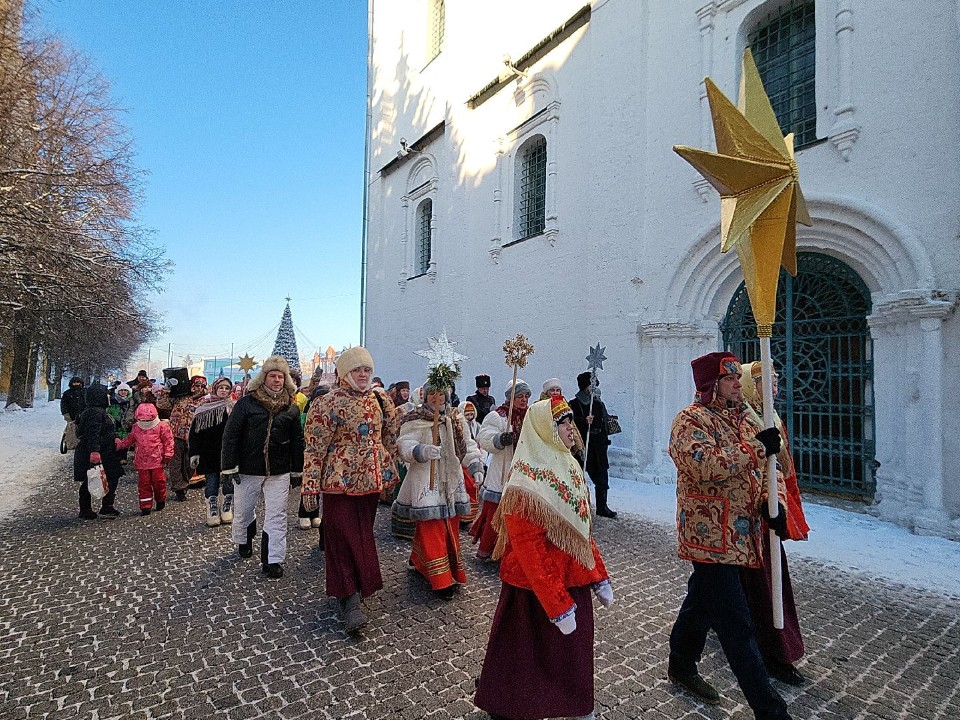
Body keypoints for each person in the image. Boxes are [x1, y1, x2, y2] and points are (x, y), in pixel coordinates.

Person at [666, 351, 793, 720]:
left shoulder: (750, 420)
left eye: (740, 377)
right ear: (711, 385)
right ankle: (770, 710)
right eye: (731, 378)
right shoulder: (690, 421)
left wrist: (775, 502)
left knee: (702, 601)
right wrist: (756, 447)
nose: (740, 384)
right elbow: (703, 465)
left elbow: (773, 472)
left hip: (744, 535)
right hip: (708, 536)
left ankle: (681, 663)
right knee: (736, 622)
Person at [474, 396, 613, 720]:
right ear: (545, 430)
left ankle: (574, 703)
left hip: (571, 579)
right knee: (524, 651)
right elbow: (527, 546)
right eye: (563, 423)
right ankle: (509, 702)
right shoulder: (525, 480)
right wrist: (557, 603)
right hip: (535, 587)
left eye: (570, 422)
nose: (571, 429)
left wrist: (597, 574)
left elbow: (580, 529)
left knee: (572, 652)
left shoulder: (567, 464)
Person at [301, 346, 400, 633]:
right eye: (357, 370)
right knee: (340, 535)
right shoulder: (327, 403)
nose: (363, 374)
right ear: (344, 373)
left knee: (362, 534)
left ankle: (357, 586)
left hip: (369, 482)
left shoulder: (379, 399)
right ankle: (348, 597)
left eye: (367, 370)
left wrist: (387, 468)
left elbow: (389, 436)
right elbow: (314, 448)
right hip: (339, 482)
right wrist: (309, 488)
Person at [739, 361, 810, 685]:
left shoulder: (772, 419)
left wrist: (779, 503)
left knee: (759, 583)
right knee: (742, 586)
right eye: (767, 380)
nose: (776, 384)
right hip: (743, 519)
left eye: (777, 379)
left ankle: (773, 648)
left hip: (767, 515)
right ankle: (772, 652)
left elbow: (779, 469)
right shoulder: (742, 419)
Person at [394, 376, 484, 599]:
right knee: (431, 526)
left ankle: (419, 559)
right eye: (433, 394)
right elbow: (404, 443)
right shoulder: (415, 419)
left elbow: (468, 445)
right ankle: (440, 579)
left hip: (451, 481)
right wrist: (421, 451)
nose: (438, 399)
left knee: (449, 526)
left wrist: (475, 465)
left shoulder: (455, 419)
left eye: (441, 394)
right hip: (427, 482)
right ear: (426, 396)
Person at [221, 356, 305, 579]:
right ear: (264, 378)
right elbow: (231, 435)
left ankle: (273, 559)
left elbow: (298, 440)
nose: (277, 380)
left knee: (276, 515)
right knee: (244, 509)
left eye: (280, 376)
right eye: (272, 376)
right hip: (248, 467)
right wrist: (228, 466)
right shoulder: (246, 403)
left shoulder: (291, 408)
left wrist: (297, 469)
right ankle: (243, 539)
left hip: (279, 470)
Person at [472, 379, 531, 561]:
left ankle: (511, 551)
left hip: (522, 470)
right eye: (519, 396)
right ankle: (488, 549)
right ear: (510, 398)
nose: (523, 400)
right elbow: (484, 436)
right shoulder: (498, 416)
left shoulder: (530, 416)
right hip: (501, 471)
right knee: (495, 515)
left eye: (526, 396)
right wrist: (499, 439)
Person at [569, 372, 617, 519]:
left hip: (599, 445)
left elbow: (603, 421)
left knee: (602, 477)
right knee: (579, 476)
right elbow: (571, 423)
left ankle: (602, 506)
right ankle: (577, 504)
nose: (594, 387)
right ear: (585, 387)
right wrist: (584, 421)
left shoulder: (597, 403)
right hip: (584, 445)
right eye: (591, 385)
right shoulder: (574, 404)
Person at [189, 377, 235, 527]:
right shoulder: (204, 407)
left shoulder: (233, 408)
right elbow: (195, 433)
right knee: (212, 482)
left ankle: (227, 507)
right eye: (221, 387)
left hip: (228, 452)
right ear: (214, 388)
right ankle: (212, 509)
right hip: (209, 451)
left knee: (229, 482)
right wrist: (194, 452)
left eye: (227, 388)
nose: (224, 390)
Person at [74, 383, 125, 519]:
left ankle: (106, 506)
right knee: (91, 479)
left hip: (105, 451)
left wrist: (114, 438)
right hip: (96, 452)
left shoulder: (97, 411)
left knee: (109, 477)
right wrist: (94, 452)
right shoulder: (94, 412)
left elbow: (105, 430)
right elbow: (93, 433)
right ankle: (86, 509)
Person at [115, 403, 174, 515]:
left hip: (157, 460)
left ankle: (160, 499)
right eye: (143, 420)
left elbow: (168, 441)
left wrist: (168, 453)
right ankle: (145, 505)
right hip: (142, 462)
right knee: (144, 484)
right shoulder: (137, 427)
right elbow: (130, 439)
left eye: (147, 420)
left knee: (159, 482)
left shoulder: (162, 426)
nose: (145, 423)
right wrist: (121, 445)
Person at [166, 375, 209, 501]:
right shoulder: (180, 397)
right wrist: (167, 388)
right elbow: (162, 403)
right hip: (175, 434)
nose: (199, 388)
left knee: (190, 464)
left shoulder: (206, 400)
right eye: (196, 385)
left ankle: (185, 481)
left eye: (202, 386)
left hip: (194, 436)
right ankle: (179, 489)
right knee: (175, 463)